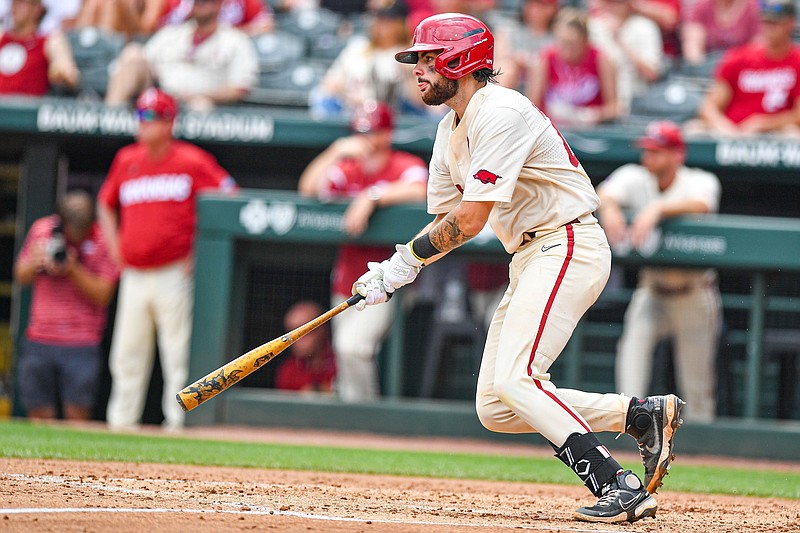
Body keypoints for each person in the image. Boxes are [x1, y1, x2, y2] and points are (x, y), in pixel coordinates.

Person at [352, 13, 683, 523]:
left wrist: (404, 262)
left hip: (566, 241)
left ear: (459, 60)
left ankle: (617, 483)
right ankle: (638, 415)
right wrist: (397, 270)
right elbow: (446, 219)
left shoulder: (502, 110)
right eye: (415, 59)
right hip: (531, 254)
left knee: (519, 378)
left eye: (425, 58)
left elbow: (471, 217)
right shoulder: (448, 130)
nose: (416, 69)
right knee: (497, 406)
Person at [98, 88, 238, 430]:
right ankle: (121, 424)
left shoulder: (191, 160)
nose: (142, 123)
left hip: (174, 272)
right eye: (140, 116)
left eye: (149, 117)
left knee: (177, 354)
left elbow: (229, 194)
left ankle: (177, 425)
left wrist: (198, 251)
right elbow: (105, 203)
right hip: (134, 273)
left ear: (169, 121)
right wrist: (115, 248)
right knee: (126, 354)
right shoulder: (126, 159)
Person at [298, 100, 428, 402]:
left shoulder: (403, 164)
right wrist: (334, 152)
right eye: (360, 132)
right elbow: (308, 189)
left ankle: (364, 416)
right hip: (347, 277)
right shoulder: (347, 167)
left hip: (391, 280)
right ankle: (351, 422)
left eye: (372, 132)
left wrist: (372, 196)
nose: (366, 139)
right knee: (346, 354)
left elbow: (421, 189)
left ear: (387, 134)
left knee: (352, 346)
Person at [597, 121, 722, 423]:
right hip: (652, 290)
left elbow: (703, 203)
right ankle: (627, 430)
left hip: (694, 292)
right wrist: (610, 208)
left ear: (677, 154)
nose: (648, 157)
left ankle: (703, 456)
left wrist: (657, 209)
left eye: (657, 151)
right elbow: (603, 192)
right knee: (631, 361)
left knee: (697, 385)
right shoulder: (634, 175)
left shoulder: (700, 180)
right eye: (647, 150)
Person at [15, 190, 119, 421]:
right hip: (40, 337)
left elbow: (104, 295)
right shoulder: (42, 230)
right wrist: (34, 262)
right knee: (38, 411)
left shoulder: (104, 239)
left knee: (77, 414)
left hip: (82, 341)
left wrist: (73, 269)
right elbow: (20, 276)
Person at [104, 0, 259, 112]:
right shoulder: (171, 33)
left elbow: (240, 87)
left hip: (203, 101)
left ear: (220, 4)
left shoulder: (236, 40)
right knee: (132, 53)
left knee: (200, 107)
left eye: (207, 1)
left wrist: (200, 96)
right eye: (197, 2)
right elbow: (146, 63)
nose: (201, 4)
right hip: (161, 99)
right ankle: (109, 119)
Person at [688, 0, 800, 137]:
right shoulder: (739, 58)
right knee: (694, 129)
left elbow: (798, 115)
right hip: (734, 131)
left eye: (775, 23)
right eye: (766, 22)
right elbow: (709, 106)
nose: (769, 28)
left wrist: (764, 124)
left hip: (776, 134)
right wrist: (724, 127)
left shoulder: (797, 60)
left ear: (790, 23)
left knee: (792, 133)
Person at [310, 0, 430, 118]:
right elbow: (330, 85)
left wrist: (407, 74)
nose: (384, 26)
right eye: (380, 20)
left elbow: (420, 102)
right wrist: (348, 96)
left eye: (391, 21)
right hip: (355, 112)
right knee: (321, 99)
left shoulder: (411, 54)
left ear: (402, 23)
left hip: (395, 116)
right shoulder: (357, 49)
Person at [527, 7, 619, 128]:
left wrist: (592, 115)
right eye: (563, 43)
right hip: (553, 129)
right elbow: (532, 105)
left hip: (591, 131)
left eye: (573, 44)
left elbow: (614, 107)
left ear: (585, 41)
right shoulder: (544, 59)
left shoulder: (601, 60)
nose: (568, 51)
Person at [587, 0, 664, 116]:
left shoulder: (645, 27)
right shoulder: (592, 27)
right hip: (599, 106)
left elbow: (652, 74)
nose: (612, 6)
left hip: (638, 105)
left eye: (618, 2)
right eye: (608, 2)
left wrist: (619, 40)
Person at [0, 0, 80, 96]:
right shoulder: (2, 36)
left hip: (29, 107)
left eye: (21, 3)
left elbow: (69, 72)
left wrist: (62, 72)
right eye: (13, 3)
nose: (14, 8)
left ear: (37, 9)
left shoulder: (50, 40)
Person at [492, 0, 559, 92]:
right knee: (508, 69)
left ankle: (532, 106)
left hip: (544, 84)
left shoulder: (557, 37)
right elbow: (498, 58)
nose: (535, 9)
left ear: (552, 9)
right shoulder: (508, 31)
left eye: (541, 5)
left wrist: (528, 62)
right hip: (511, 77)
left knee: (537, 68)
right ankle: (496, 104)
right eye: (531, 4)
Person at [275, 301, 337, 393]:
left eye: (304, 332)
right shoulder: (288, 371)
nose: (297, 340)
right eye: (291, 333)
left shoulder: (341, 361)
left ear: (323, 329)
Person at [681, 0, 760, 67]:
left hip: (740, 67)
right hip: (708, 66)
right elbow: (692, 44)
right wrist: (698, 66)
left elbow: (757, 46)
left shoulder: (752, 8)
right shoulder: (702, 6)